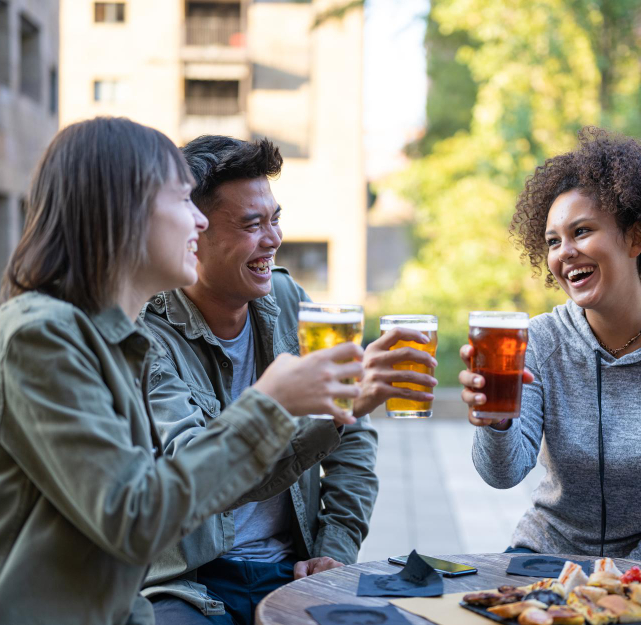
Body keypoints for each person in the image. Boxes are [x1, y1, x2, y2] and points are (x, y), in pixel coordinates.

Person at [0, 117, 362, 624]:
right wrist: (272, 405)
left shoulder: (109, 339)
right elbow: (135, 519)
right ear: (123, 215)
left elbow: (120, 559)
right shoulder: (39, 339)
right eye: (182, 202)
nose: (199, 223)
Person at [141, 135, 438, 624]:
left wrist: (334, 550)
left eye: (274, 218)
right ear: (193, 231)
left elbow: (352, 442)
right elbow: (198, 474)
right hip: (188, 582)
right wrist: (316, 411)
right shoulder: (148, 338)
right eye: (252, 224)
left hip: (290, 569)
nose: (273, 239)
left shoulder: (289, 300)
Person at [459, 128, 641, 573]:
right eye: (553, 241)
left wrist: (621, 584)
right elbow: (503, 474)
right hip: (550, 560)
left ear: (636, 238)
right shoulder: (538, 341)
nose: (564, 253)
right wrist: (495, 423)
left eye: (581, 232)